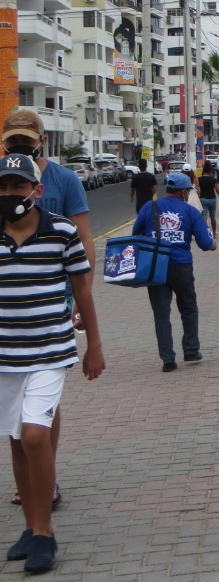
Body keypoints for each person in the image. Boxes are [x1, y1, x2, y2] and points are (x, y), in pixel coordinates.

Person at [0, 153, 105, 572]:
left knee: (34, 437)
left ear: (36, 190)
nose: (10, 194)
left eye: (18, 186)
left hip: (49, 352)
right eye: (3, 187)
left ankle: (45, 532)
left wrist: (93, 345)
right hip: (4, 357)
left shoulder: (61, 231)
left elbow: (82, 290)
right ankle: (29, 526)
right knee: (15, 442)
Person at [2, 111, 92, 513]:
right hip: (11, 312)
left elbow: (83, 235)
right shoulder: (5, 178)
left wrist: (82, 297)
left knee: (40, 410)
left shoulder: (63, 180)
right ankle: (38, 479)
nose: (20, 145)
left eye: (26, 139)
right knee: (20, 419)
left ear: (41, 139)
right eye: (13, 139)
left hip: (56, 293)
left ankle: (46, 480)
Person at [132, 173, 216, 372]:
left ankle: (168, 359)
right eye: (188, 191)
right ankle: (191, 350)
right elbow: (205, 243)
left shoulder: (148, 208)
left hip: (155, 267)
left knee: (161, 314)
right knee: (188, 308)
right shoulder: (189, 211)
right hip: (181, 267)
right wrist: (213, 245)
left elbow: (135, 235)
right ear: (184, 191)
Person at [196, 162, 219, 238]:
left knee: (204, 216)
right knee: (213, 217)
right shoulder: (213, 180)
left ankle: (204, 233)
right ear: (210, 170)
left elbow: (198, 191)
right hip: (212, 199)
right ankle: (214, 233)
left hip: (203, 199)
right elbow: (217, 190)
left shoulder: (199, 179)